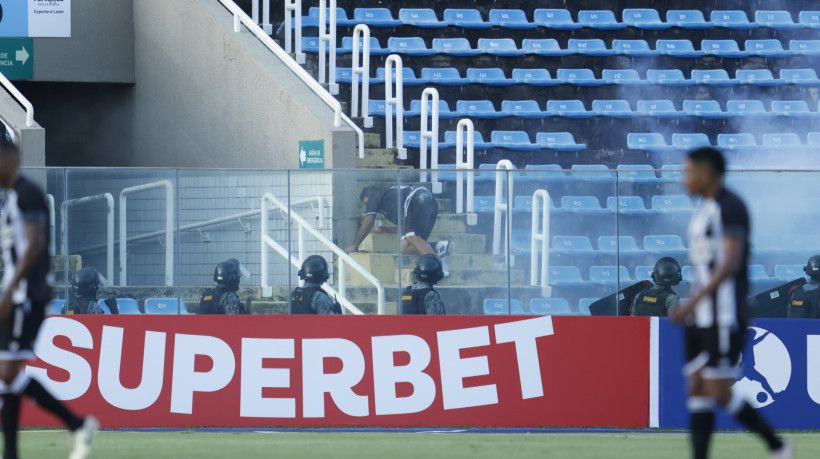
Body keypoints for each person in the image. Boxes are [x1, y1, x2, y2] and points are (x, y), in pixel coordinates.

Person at [672, 147, 791, 459]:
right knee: (696, 388)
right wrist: (693, 304)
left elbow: (730, 263)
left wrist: (691, 301)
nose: (683, 178)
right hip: (699, 316)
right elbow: (704, 266)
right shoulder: (702, 213)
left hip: (724, 315)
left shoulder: (731, 206)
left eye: (688, 171)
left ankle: (777, 446)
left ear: (707, 173)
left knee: (718, 391)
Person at [0, 127, 97, 459]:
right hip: (21, 295)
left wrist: (10, 289)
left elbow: (36, 245)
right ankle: (13, 450)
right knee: (8, 376)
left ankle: (75, 424)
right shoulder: (13, 197)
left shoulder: (27, 194)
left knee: (7, 373)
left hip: (25, 296)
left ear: (11, 158)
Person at [345, 185, 452, 259]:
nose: (368, 207)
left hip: (418, 197)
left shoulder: (375, 195)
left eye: (367, 203)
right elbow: (408, 228)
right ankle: (438, 247)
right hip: (429, 203)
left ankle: (438, 264)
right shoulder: (391, 203)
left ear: (370, 196)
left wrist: (355, 245)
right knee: (404, 247)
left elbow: (368, 221)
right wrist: (388, 230)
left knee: (411, 237)